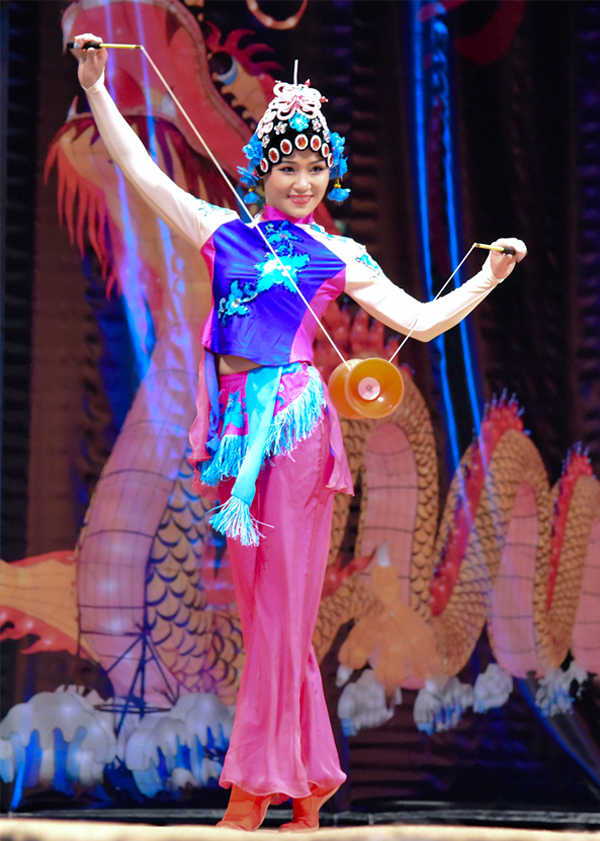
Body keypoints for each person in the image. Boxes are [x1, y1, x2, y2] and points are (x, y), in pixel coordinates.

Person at [72, 35, 526, 831]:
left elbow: (420, 320)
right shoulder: (222, 231)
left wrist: (486, 278)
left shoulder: (337, 253)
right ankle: (309, 784)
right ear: (263, 170)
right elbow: (142, 174)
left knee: (283, 616)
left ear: (329, 172)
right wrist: (98, 89)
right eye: (289, 167)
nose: (303, 181)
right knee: (267, 619)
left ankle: (253, 788)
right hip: (236, 434)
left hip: (297, 432)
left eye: (316, 168)